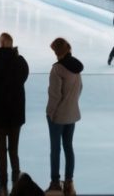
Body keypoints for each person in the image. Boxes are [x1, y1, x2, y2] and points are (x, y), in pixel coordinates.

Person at [0, 33, 29, 196]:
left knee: (1, 151)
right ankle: (17, 184)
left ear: (0, 44)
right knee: (14, 150)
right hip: (16, 113)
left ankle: (2, 186)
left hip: (0, 114)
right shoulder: (21, 62)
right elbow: (24, 78)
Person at [46, 38, 83, 196]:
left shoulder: (57, 69)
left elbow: (55, 95)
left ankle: (55, 182)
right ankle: (69, 182)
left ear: (57, 52)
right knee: (68, 147)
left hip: (58, 116)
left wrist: (50, 113)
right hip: (72, 113)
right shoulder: (76, 67)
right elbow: (80, 88)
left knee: (55, 148)